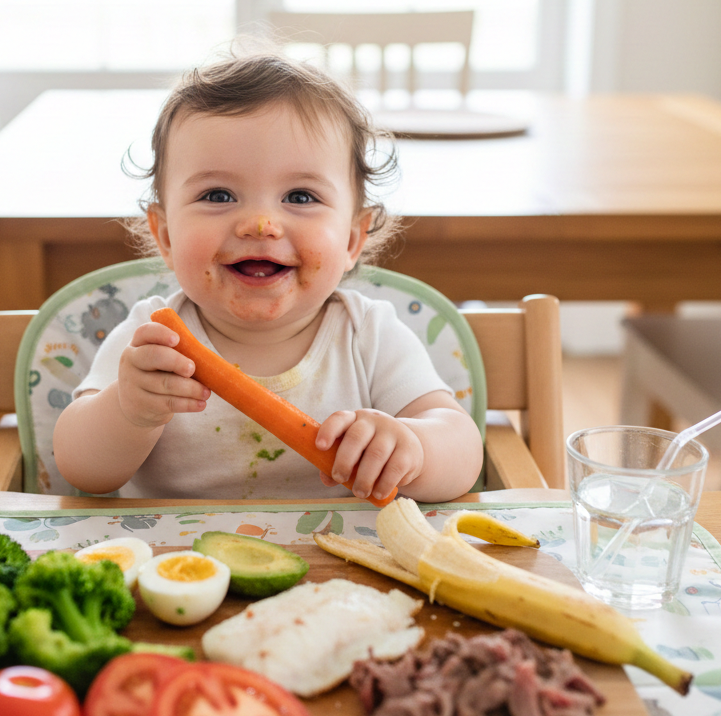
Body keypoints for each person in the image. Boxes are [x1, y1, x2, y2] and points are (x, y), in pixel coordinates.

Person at [53, 48, 484, 503]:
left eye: (300, 197)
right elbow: (82, 470)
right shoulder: (153, 342)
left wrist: (413, 447)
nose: (260, 224)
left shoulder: (367, 335)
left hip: (341, 562)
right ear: (165, 234)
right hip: (179, 566)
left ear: (353, 238)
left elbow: (462, 449)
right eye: (218, 195)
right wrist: (127, 410)